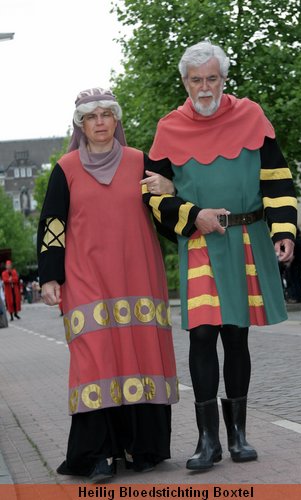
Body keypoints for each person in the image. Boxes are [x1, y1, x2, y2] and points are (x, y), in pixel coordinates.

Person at [142, 40, 297, 471]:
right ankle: (207, 440)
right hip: (200, 243)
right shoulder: (168, 128)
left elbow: (278, 179)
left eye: (212, 78)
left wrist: (283, 230)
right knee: (203, 336)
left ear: (223, 79)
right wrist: (193, 214)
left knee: (236, 334)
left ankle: (238, 436)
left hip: (248, 238)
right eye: (196, 80)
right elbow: (151, 195)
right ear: (185, 82)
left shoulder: (252, 116)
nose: (204, 87)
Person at [37, 87, 178, 481]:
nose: (99, 123)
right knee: (95, 362)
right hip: (85, 279)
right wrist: (50, 276)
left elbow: (167, 212)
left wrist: (174, 192)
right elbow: (53, 225)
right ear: (81, 125)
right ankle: (99, 455)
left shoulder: (140, 162)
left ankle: (143, 448)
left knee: (139, 356)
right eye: (91, 116)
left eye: (106, 115)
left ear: (116, 120)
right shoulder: (65, 168)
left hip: (138, 277)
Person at [285, 227, 301, 303]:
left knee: (294, 280)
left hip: (294, 263)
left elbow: (292, 254)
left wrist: (288, 264)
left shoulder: (293, 242)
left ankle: (296, 297)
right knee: (299, 280)